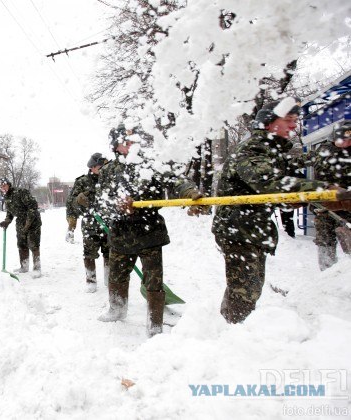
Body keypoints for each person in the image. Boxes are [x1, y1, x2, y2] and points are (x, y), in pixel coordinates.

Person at [212, 98, 339, 323]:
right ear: (269, 123)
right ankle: (233, 335)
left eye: (295, 120)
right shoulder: (253, 149)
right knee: (245, 290)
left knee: (246, 287)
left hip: (249, 226)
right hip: (238, 227)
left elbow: (265, 191)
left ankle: (229, 329)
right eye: (288, 120)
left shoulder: (271, 151)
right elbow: (267, 183)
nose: (294, 126)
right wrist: (321, 189)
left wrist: (292, 199)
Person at [96, 125, 206, 336]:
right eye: (125, 142)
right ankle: (116, 309)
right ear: (116, 146)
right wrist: (117, 206)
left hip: (149, 232)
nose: (131, 145)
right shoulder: (109, 171)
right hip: (121, 235)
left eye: (133, 141)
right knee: (117, 277)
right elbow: (102, 202)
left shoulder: (151, 165)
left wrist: (189, 192)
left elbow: (175, 180)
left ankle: (155, 322)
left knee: (153, 281)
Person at [311, 120, 351, 270]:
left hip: (347, 207)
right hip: (324, 208)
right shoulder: (324, 152)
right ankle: (327, 275)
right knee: (325, 242)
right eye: (344, 138)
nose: (348, 142)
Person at [68, 152, 110, 293]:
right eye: (100, 166)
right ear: (92, 167)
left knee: (110, 252)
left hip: (109, 222)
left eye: (104, 165)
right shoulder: (82, 182)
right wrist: (78, 201)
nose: (103, 168)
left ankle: (109, 278)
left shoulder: (110, 180)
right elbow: (71, 203)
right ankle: (91, 281)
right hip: (90, 223)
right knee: (89, 253)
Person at [0, 178, 42, 276]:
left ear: (9, 185)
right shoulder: (7, 197)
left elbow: (33, 206)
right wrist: (7, 221)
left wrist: (28, 223)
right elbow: (10, 212)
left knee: (33, 244)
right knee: (21, 244)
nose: (3, 188)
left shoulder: (21, 192)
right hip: (20, 221)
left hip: (33, 220)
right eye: (1, 187)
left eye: (4, 185)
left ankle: (37, 269)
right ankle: (24, 266)